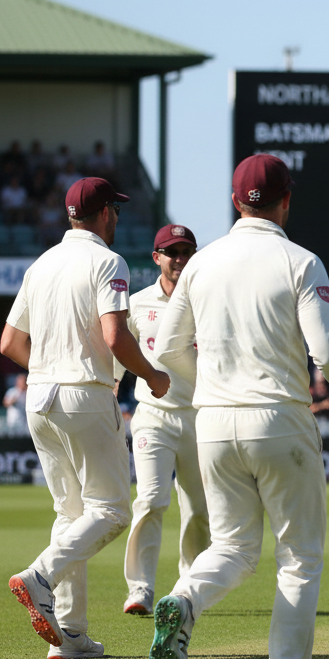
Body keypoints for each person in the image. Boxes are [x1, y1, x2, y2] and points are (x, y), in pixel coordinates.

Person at [148, 154, 329, 659]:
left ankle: (183, 598)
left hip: (214, 424)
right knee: (298, 559)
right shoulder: (300, 261)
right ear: (286, 201)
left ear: (233, 200)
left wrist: (216, 387)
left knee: (233, 548)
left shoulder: (199, 264)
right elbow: (326, 353)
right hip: (280, 420)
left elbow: (168, 350)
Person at [1, 177, 171, 659]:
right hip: (84, 394)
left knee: (71, 514)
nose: (116, 217)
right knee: (113, 510)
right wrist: (153, 377)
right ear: (103, 214)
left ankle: (71, 633)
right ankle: (40, 575)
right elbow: (115, 337)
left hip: (39, 397)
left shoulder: (41, 264)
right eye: (114, 211)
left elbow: (10, 344)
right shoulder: (107, 261)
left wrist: (48, 370)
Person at [119, 224, 210, 617]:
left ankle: (187, 587)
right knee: (151, 500)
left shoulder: (208, 301)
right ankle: (140, 588)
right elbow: (118, 353)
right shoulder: (138, 303)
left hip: (201, 418)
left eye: (186, 251)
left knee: (199, 511)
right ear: (156, 257)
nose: (179, 259)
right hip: (153, 416)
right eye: (172, 252)